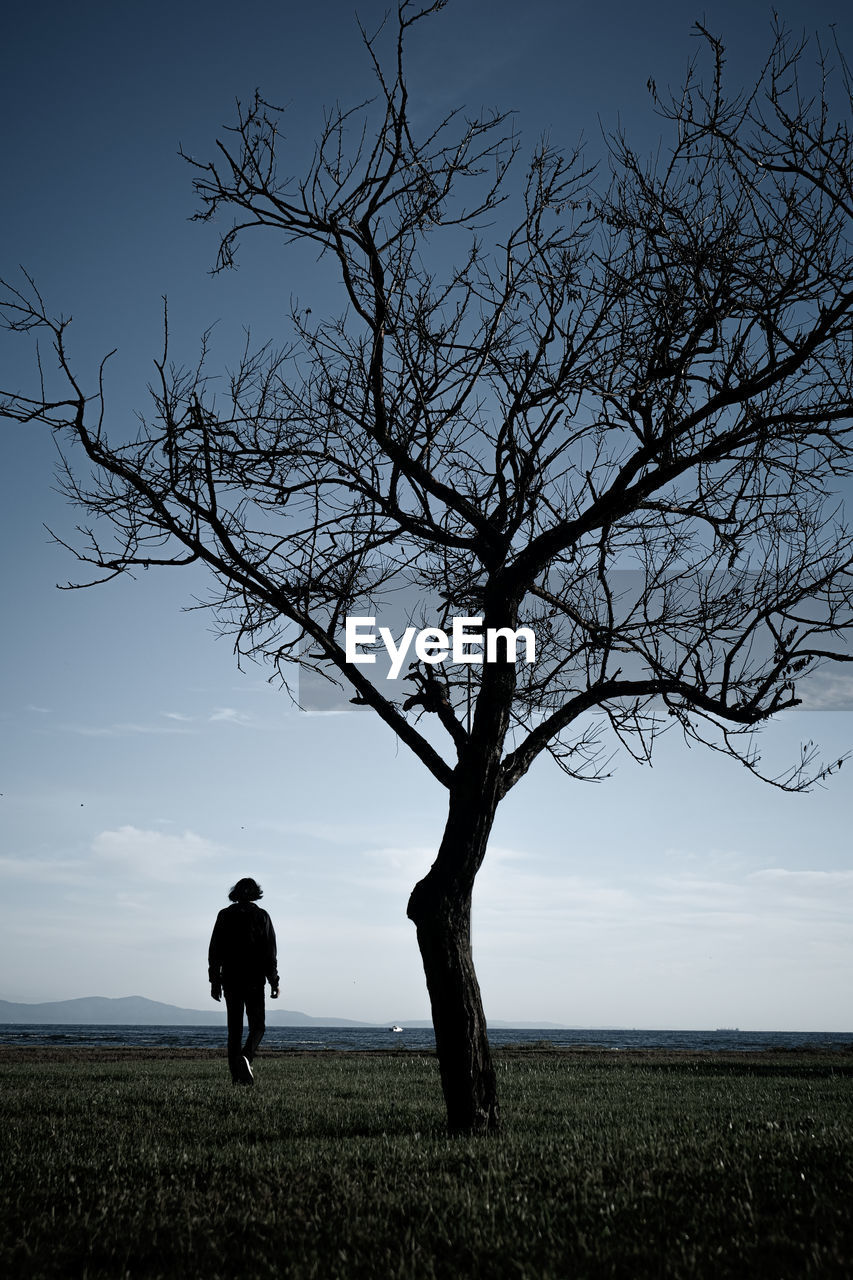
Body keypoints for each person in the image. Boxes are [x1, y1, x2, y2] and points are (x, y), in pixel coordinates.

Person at [208, 877, 279, 1085]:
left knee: (234, 1030)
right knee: (258, 1026)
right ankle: (246, 1057)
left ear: (236, 893)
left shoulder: (224, 916)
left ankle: (236, 1077)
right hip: (254, 979)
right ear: (256, 893)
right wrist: (274, 980)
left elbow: (215, 951)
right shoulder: (262, 916)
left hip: (230, 979)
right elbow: (269, 953)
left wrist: (214, 980)